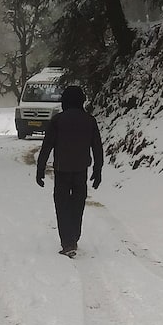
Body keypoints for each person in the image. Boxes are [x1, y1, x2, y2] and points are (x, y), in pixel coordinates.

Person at [35, 85, 104, 257]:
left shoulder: (57, 120)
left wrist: (40, 168)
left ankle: (68, 242)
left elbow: (47, 146)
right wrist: (98, 169)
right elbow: (97, 147)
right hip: (81, 170)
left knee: (62, 205)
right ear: (82, 101)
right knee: (78, 204)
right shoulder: (89, 120)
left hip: (62, 170)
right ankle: (74, 236)